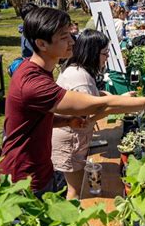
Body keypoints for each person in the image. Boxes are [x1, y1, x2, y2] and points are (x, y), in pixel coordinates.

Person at [0, 7, 145, 198]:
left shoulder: (37, 70)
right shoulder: (33, 83)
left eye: (70, 34)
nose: (72, 41)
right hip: (22, 180)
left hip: (38, 171)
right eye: (64, 37)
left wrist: (66, 121)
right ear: (41, 44)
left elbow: (34, 119)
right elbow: (99, 105)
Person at [52, 30, 134, 199]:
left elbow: (94, 96)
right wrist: (121, 104)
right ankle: (74, 222)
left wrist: (116, 98)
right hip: (70, 141)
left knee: (83, 185)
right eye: (104, 53)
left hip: (74, 138)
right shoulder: (80, 79)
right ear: (92, 53)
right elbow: (89, 114)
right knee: (76, 190)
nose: (106, 57)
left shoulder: (78, 69)